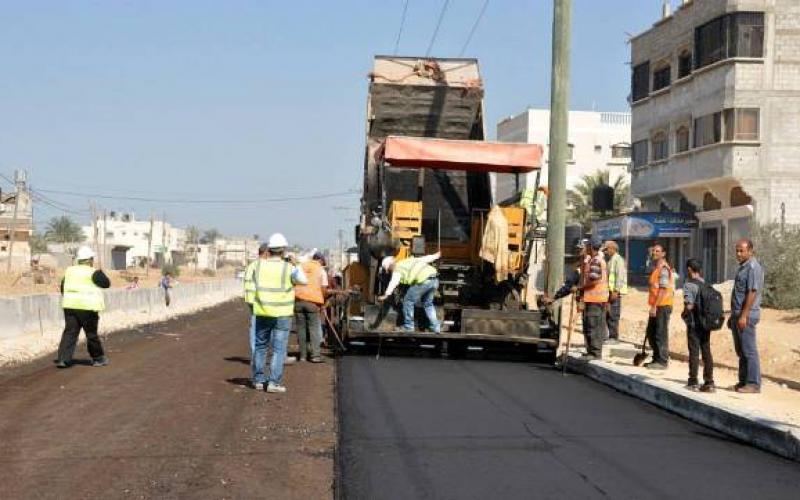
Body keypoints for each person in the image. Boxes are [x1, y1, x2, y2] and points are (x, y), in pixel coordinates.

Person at [251, 233, 307, 393]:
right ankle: (274, 382)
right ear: (283, 250)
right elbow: (304, 280)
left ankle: (258, 380)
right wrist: (296, 264)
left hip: (262, 312)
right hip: (282, 314)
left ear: (269, 249)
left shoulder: (258, 266)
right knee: (278, 349)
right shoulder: (289, 268)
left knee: (260, 346)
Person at [55, 246, 111, 368]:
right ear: (90, 260)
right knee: (91, 334)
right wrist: (100, 272)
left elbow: (63, 287)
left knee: (70, 332)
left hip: (69, 306)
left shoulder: (69, 271)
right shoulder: (93, 272)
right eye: (92, 259)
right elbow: (106, 284)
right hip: (87, 308)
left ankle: (63, 359)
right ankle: (98, 358)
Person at [730, 238, 764, 394]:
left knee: (749, 350)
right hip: (738, 314)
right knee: (741, 350)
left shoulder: (753, 267)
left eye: (741, 250)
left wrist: (744, 315)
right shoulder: (743, 267)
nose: (738, 253)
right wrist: (734, 315)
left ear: (750, 251)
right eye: (737, 250)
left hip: (747, 315)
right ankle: (743, 381)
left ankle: (753, 383)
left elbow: (752, 292)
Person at [378, 252, 441, 333]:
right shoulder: (408, 261)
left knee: (408, 301)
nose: (390, 271)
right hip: (434, 280)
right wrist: (436, 255)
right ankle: (436, 327)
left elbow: (393, 283)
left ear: (390, 265)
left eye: (389, 269)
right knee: (428, 304)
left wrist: (386, 295)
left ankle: (408, 327)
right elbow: (424, 259)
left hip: (423, 281)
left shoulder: (397, 269)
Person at [682, 259, 715, 392]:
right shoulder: (705, 284)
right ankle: (709, 381)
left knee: (694, 351)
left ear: (689, 269)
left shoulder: (688, 285)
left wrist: (684, 313)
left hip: (694, 323)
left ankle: (693, 381)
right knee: (706, 351)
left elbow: (689, 304)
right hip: (706, 323)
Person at [294, 252, 328, 363]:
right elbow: (323, 288)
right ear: (321, 260)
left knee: (301, 329)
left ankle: (303, 356)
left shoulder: (301, 266)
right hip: (312, 303)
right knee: (313, 329)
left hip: (298, 301)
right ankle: (315, 356)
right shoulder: (321, 270)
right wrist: (322, 302)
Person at [578, 237, 608, 360]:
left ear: (591, 247)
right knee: (590, 326)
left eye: (586, 247)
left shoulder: (596, 261)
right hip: (593, 299)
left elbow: (593, 280)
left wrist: (581, 287)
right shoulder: (592, 260)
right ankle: (591, 351)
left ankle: (595, 353)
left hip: (595, 300)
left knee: (593, 326)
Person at [644, 243, 674, 370]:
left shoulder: (663, 269)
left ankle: (662, 361)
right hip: (657, 305)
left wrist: (654, 306)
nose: (654, 253)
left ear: (663, 253)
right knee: (651, 332)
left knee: (660, 333)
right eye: (654, 251)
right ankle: (656, 358)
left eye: (658, 251)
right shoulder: (656, 268)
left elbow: (662, 289)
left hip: (662, 305)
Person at [243, 245, 266, 360]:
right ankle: (260, 354)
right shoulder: (262, 266)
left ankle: (255, 352)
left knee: (254, 325)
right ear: (266, 253)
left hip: (250, 298)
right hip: (259, 299)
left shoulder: (252, 265)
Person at [603, 240, 627, 344]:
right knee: (608, 314)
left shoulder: (618, 260)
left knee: (613, 314)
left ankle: (614, 337)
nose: (606, 251)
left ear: (613, 248)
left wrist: (616, 290)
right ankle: (610, 336)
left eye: (607, 249)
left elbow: (620, 276)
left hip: (614, 293)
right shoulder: (610, 260)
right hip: (609, 292)